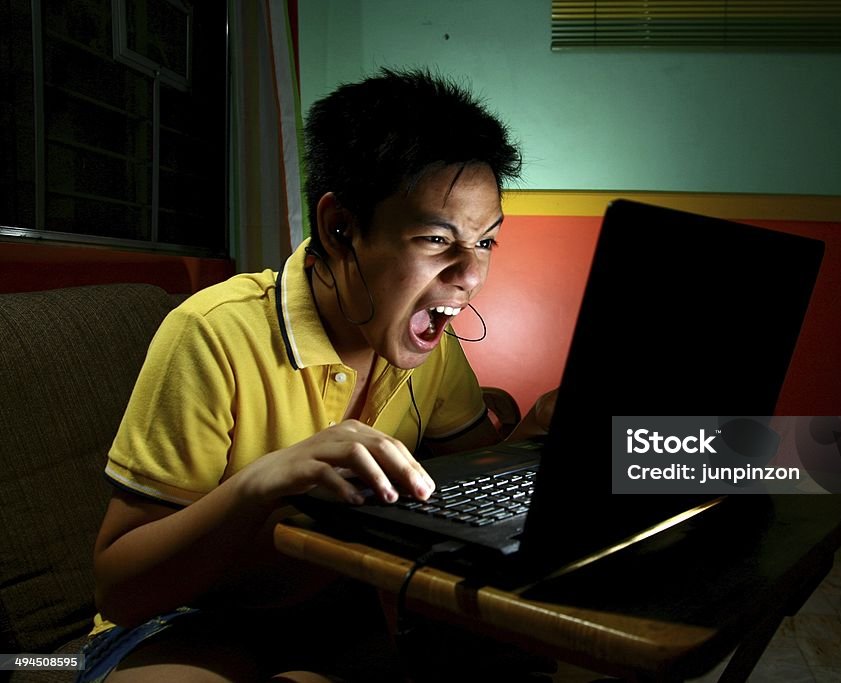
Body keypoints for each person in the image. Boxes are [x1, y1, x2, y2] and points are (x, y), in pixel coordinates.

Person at [78, 68, 552, 682]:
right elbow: (119, 590)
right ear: (340, 227)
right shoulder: (213, 332)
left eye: (486, 243)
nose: (471, 275)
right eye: (438, 239)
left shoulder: (431, 342)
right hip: (185, 622)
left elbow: (465, 492)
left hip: (347, 607)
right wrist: (257, 489)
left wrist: (539, 436)